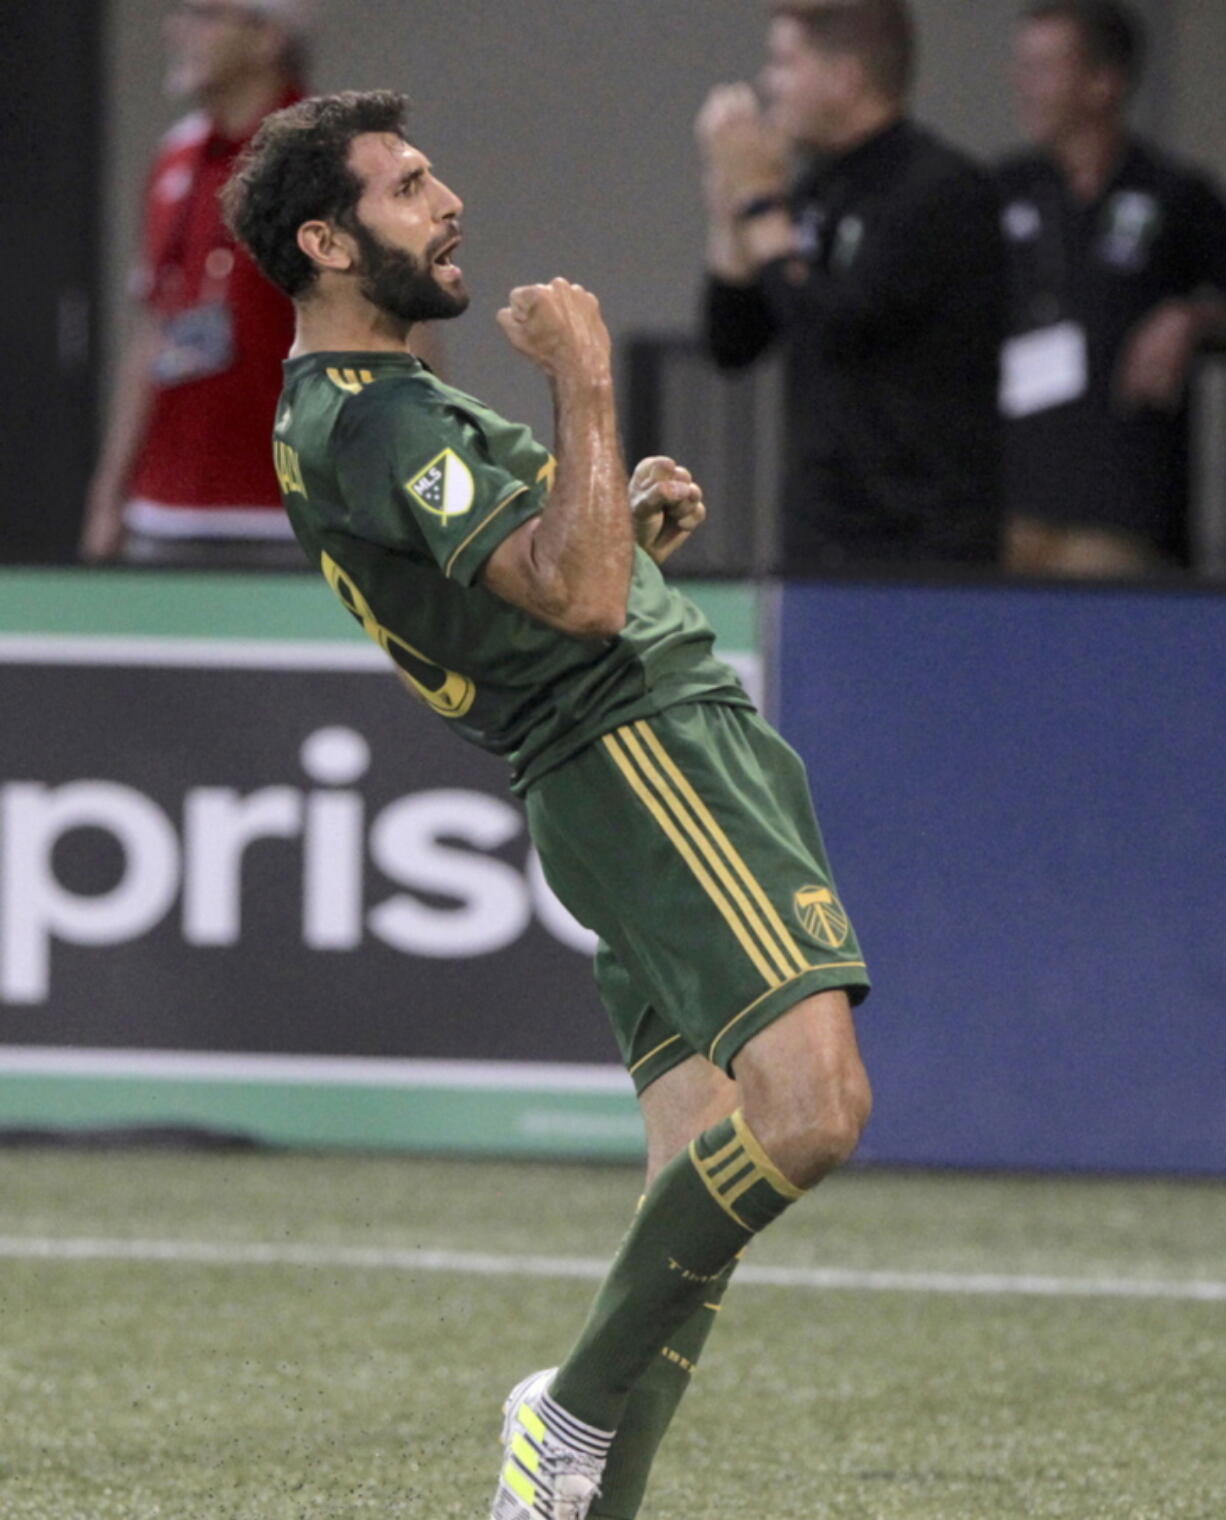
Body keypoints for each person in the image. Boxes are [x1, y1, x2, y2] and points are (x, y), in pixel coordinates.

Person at [222, 90, 873, 1520]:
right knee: (811, 1110)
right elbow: (579, 608)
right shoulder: (377, 414)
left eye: (432, 170)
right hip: (642, 750)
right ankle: (567, 1417)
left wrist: (613, 509)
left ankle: (571, 1502)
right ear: (325, 242)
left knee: (696, 1173)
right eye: (404, 187)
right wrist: (585, 383)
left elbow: (540, 579)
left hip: (612, 762)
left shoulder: (343, 415)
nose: (446, 197)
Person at [696, 0, 1004, 573]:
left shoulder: (939, 190)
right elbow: (731, 343)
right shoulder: (816, 191)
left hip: (920, 542)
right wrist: (728, 205)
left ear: (845, 76)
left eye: (785, 63)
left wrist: (762, 205)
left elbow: (838, 324)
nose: (769, 82)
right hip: (819, 534)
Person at [80, 0, 313, 567]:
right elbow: (155, 327)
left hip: (293, 512)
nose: (179, 30)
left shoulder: (323, 155)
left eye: (205, 14)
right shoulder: (176, 154)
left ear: (267, 38)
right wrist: (108, 495)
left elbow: (393, 331)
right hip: (165, 510)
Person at [1000, 0, 1226, 576]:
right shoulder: (1000, 191)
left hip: (1120, 513)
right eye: (1023, 67)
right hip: (1007, 508)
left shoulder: (1174, 195)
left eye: (1044, 69)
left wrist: (1191, 318)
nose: (1024, 86)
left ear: (1103, 83)